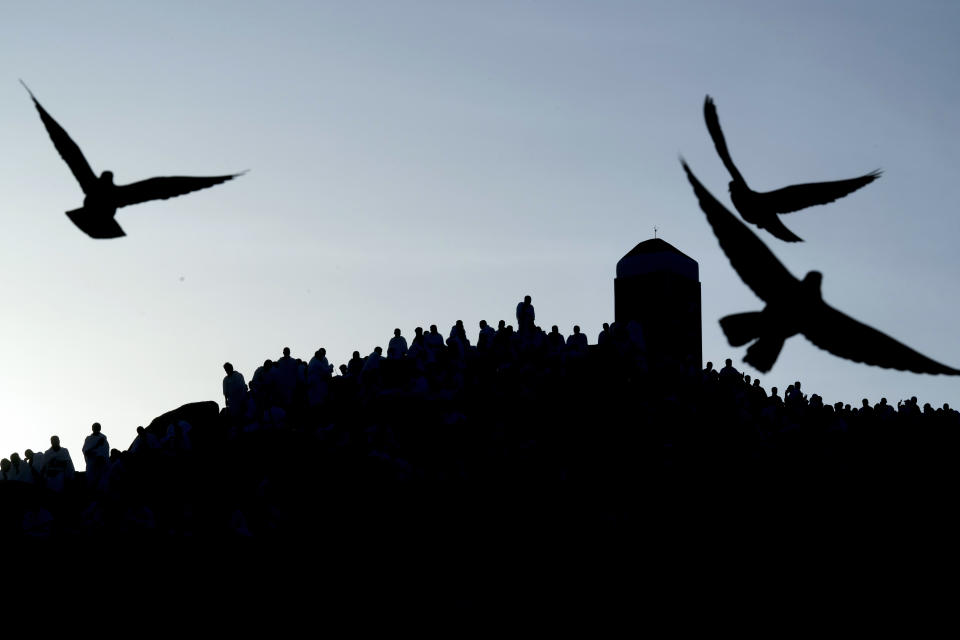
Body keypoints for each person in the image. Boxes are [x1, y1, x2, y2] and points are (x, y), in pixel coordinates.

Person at [82, 422, 110, 487]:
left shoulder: (103, 438)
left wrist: (100, 456)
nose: (96, 429)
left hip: (101, 462)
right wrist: (91, 452)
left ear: (100, 428)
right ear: (92, 428)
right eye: (95, 427)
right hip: (91, 462)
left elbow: (105, 450)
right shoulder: (88, 438)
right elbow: (85, 450)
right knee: (91, 480)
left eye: (97, 427)